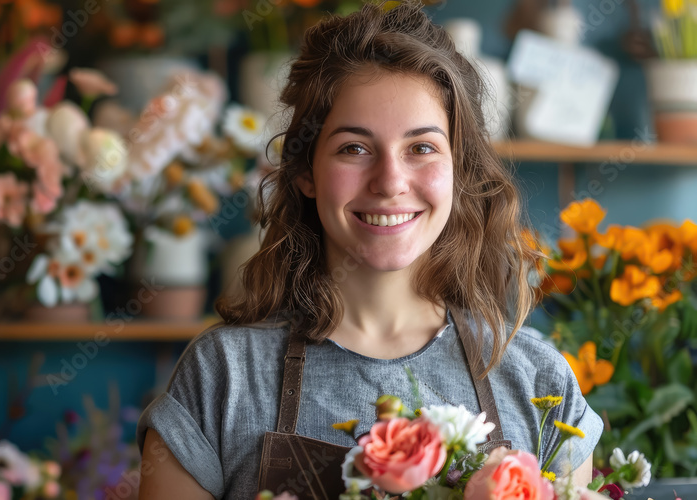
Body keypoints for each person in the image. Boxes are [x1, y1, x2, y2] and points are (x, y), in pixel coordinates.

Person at [136, 2, 602, 499]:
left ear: (459, 172)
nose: (389, 182)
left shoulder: (537, 381)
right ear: (305, 173)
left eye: (421, 147)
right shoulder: (223, 375)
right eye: (354, 148)